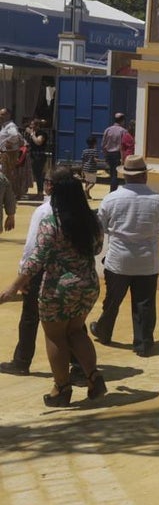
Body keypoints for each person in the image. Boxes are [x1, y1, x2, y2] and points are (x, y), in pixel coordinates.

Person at [0, 168, 106, 407]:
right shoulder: (92, 219)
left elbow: (36, 259)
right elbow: (98, 248)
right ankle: (93, 376)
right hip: (87, 284)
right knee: (76, 331)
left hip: (58, 289)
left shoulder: (52, 221)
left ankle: (62, 387)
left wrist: (14, 287)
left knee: (55, 335)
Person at [91, 155, 159, 357]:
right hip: (147, 261)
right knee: (144, 303)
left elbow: (100, 225)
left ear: (124, 176)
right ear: (145, 175)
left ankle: (104, 331)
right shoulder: (157, 200)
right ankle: (143, 343)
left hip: (119, 259)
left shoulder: (112, 199)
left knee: (112, 300)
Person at [0, 171, 51, 376]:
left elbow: (32, 248)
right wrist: (11, 213)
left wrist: (23, 275)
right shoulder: (82, 210)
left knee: (30, 317)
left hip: (39, 273)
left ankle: (21, 361)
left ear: (49, 186)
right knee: (70, 324)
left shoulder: (43, 212)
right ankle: (81, 368)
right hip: (71, 276)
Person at [101, 112, 129, 191]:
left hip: (109, 154)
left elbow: (103, 144)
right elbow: (124, 146)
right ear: (122, 120)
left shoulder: (108, 130)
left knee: (112, 172)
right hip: (117, 154)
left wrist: (106, 155)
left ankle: (112, 189)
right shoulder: (123, 131)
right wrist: (123, 158)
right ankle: (113, 191)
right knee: (115, 174)